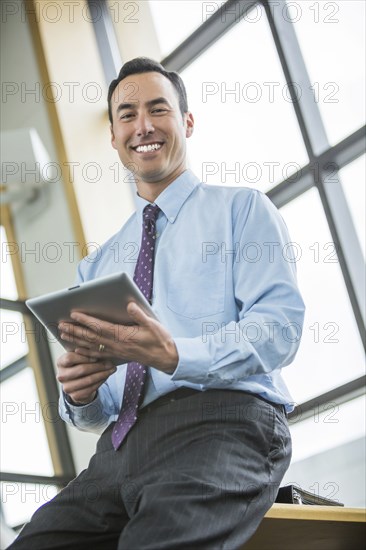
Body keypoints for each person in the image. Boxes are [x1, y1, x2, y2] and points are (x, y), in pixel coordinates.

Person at [8, 57, 305, 549]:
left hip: (223, 426)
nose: (142, 125)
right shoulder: (97, 265)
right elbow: (99, 410)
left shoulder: (243, 209)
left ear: (186, 122)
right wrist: (80, 394)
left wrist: (175, 355)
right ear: (113, 136)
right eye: (126, 114)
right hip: (118, 452)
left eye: (158, 109)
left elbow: (277, 330)